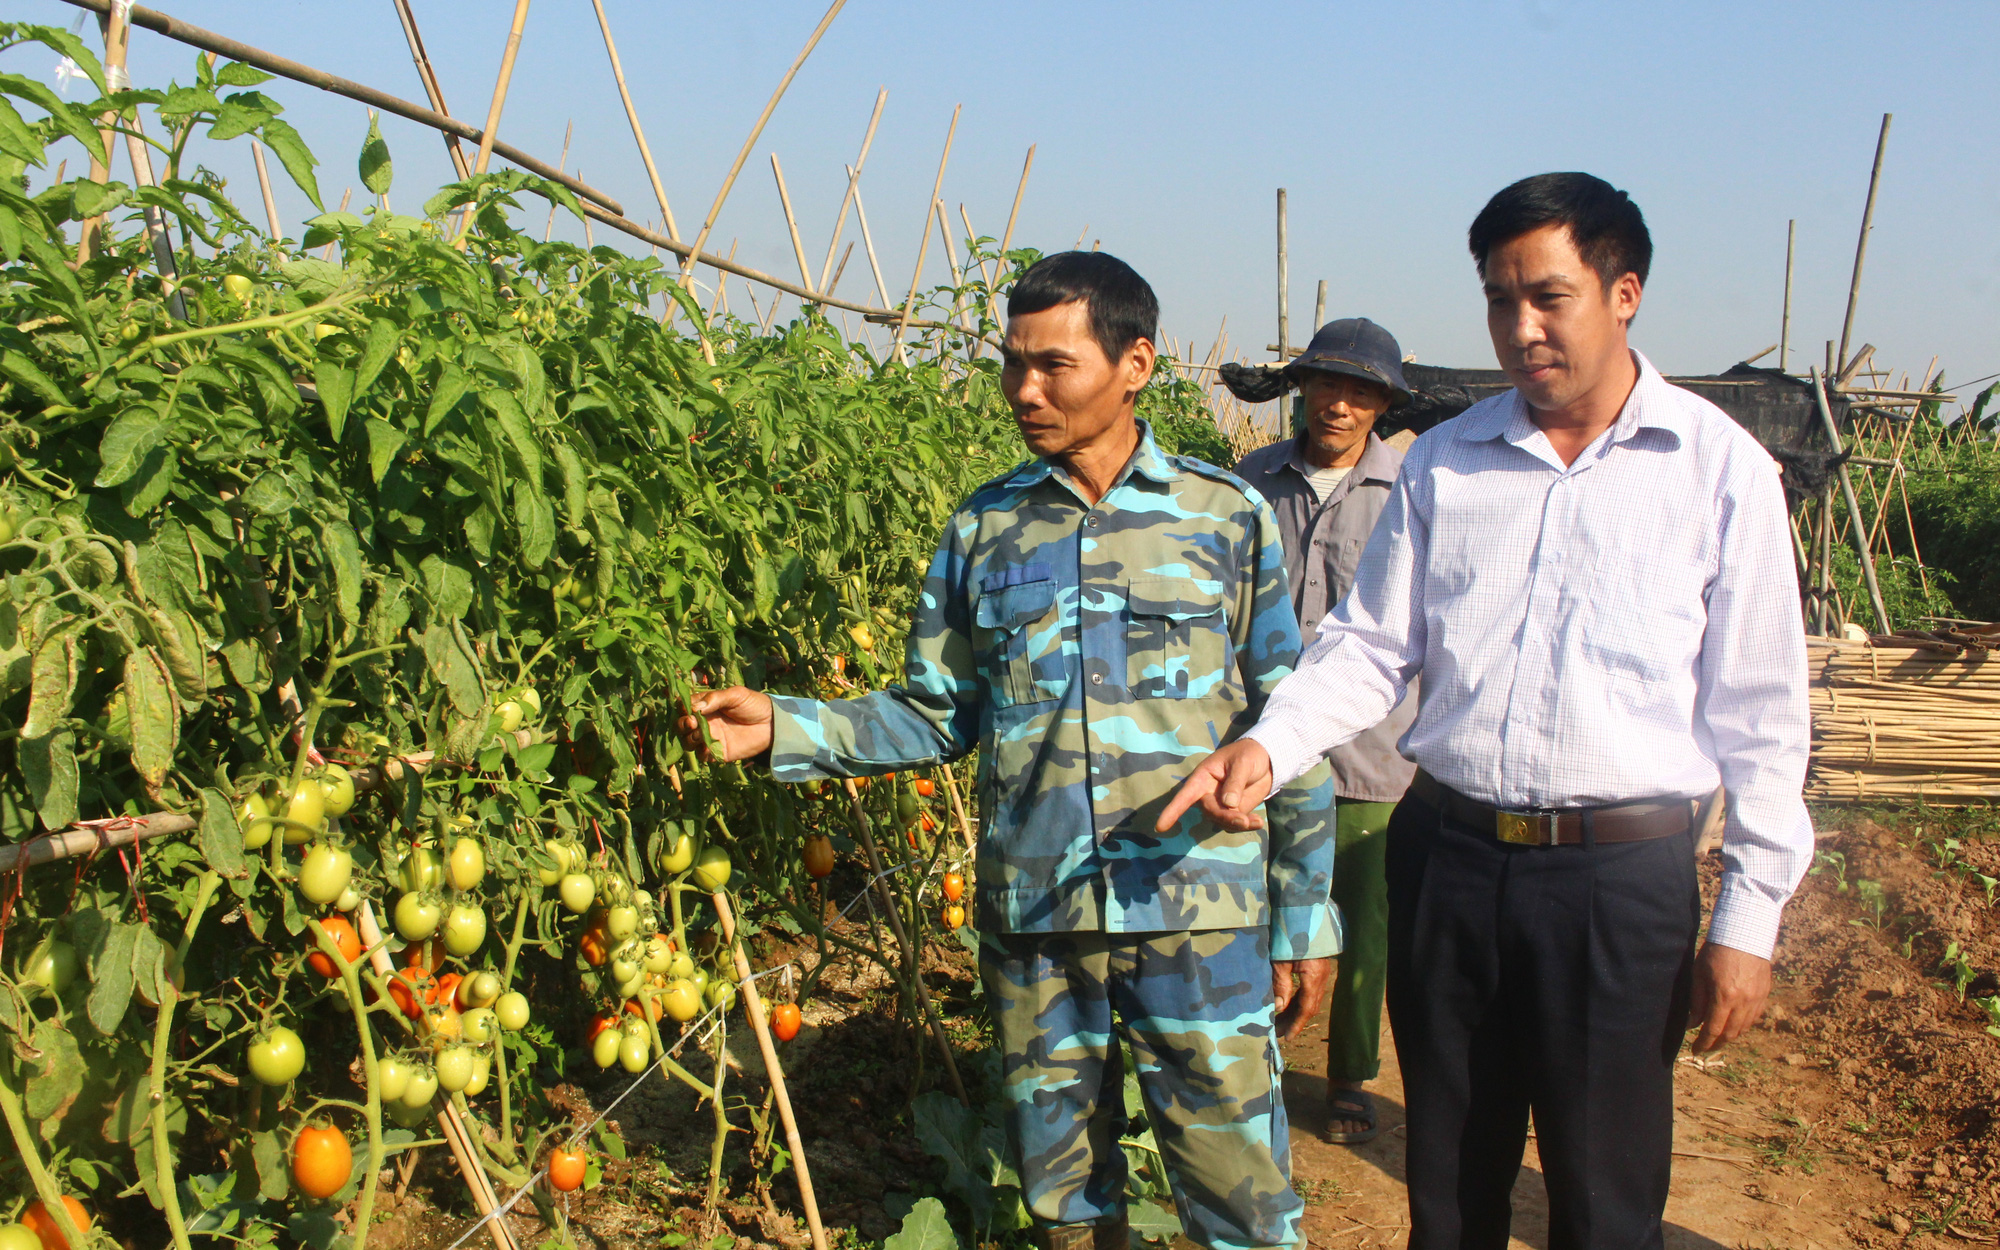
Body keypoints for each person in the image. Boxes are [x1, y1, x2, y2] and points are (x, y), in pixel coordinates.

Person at [1160, 174, 1813, 1250]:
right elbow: (1370, 644)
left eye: (1547, 296)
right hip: (1448, 856)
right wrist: (1268, 746)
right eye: (1497, 299)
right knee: (1450, 1183)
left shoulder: (1714, 472)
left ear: (1623, 292)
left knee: (1603, 1195)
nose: (1519, 328)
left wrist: (1747, 919)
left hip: (1617, 882)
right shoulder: (1448, 461)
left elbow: (1761, 716)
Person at [681, 251, 1339, 1250]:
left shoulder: (1222, 518)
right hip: (1038, 919)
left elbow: (1289, 723)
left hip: (1196, 914)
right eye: (1011, 364)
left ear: (1134, 364)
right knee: (1063, 1206)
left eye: (1054, 365)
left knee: (1238, 1200)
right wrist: (788, 724)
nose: (1024, 390)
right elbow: (933, 710)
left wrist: (1303, 912)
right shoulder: (983, 528)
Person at [1230, 318, 1419, 1146]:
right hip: (1261, 740)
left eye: (1361, 391)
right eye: (1327, 385)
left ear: (1382, 404)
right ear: (1301, 388)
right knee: (1256, 906)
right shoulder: (1247, 483)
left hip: (1370, 750)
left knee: (1358, 916)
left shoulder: (1412, 489)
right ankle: (1254, 1064)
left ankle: (1349, 1077)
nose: (1340, 405)